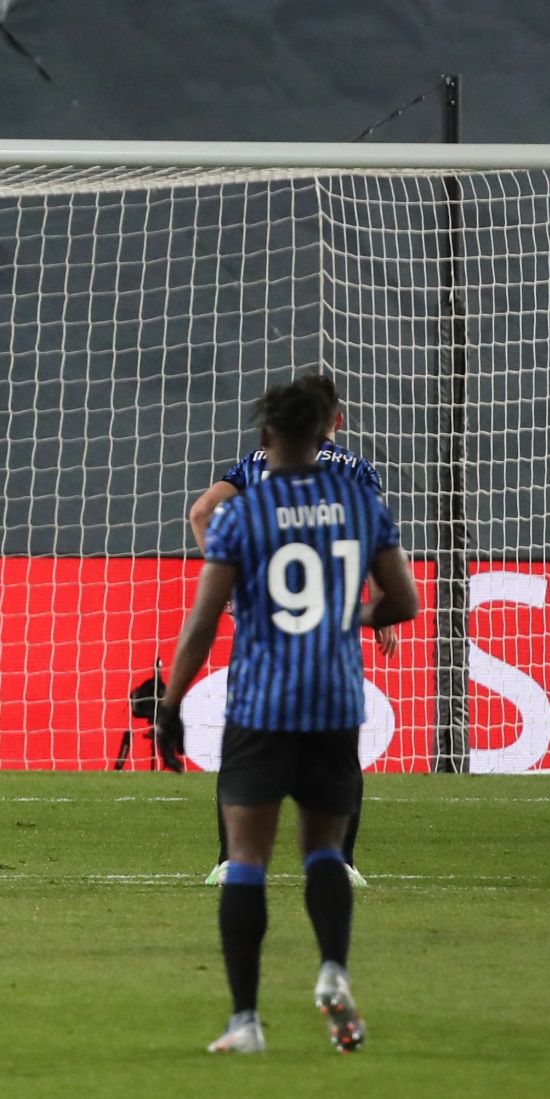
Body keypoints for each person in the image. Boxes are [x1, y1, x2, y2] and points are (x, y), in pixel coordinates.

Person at [157, 380, 420, 1054]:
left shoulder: (243, 514)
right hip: (334, 698)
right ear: (327, 431)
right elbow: (405, 602)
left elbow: (203, 621)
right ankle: (333, 968)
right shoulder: (360, 501)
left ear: (267, 439)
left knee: (245, 859)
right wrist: (349, 617)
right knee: (325, 851)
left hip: (263, 700)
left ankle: (245, 1021)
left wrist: (171, 701)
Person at [191, 371, 388, 884]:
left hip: (265, 633)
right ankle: (341, 862)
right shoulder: (356, 471)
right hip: (327, 638)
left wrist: (232, 586)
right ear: (335, 422)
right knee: (338, 752)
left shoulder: (257, 464)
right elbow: (367, 538)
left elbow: (201, 511)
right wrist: (377, 602)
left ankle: (228, 859)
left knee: (245, 744)